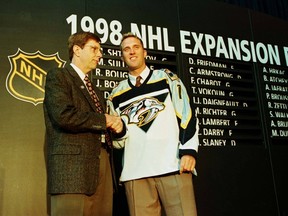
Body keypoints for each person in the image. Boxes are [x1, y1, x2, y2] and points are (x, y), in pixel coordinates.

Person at [107, 32, 199, 216]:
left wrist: (188, 151)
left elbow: (187, 114)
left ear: (145, 52)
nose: (132, 52)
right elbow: (118, 143)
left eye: (136, 47)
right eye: (126, 49)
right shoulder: (115, 95)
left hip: (173, 165)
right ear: (122, 56)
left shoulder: (167, 78)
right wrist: (118, 131)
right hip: (136, 174)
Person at [43, 31, 125, 216]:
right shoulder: (59, 76)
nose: (100, 54)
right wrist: (104, 119)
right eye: (94, 49)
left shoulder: (94, 88)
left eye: (100, 50)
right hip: (73, 172)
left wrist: (116, 127)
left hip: (101, 167)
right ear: (77, 50)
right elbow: (63, 115)